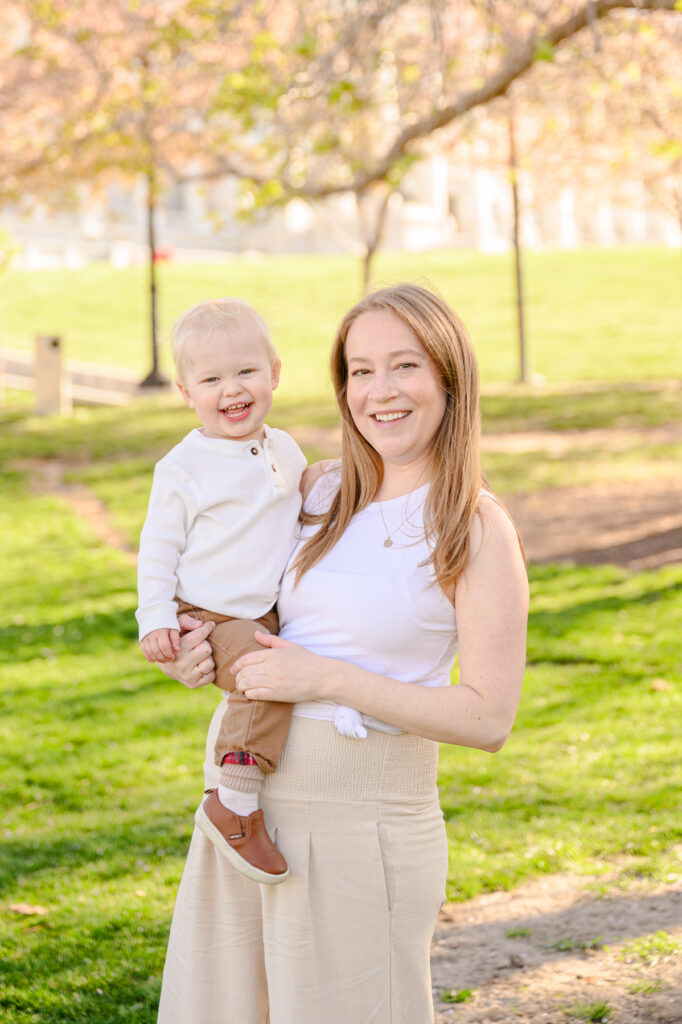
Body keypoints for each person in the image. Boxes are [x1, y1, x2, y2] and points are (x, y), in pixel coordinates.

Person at [155, 283, 529, 1024]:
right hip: (243, 813)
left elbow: (489, 718)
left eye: (404, 367)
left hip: (364, 828)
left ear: (449, 378)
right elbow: (230, 590)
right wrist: (190, 650)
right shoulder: (316, 489)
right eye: (360, 371)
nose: (380, 392)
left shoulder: (474, 528)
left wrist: (326, 678)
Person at [137, 298, 363, 885]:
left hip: (264, 609)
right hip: (211, 613)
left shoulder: (285, 448)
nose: (230, 390)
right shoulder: (184, 467)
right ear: (186, 393)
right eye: (211, 379)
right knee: (266, 677)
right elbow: (158, 548)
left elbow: (297, 506)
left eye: (245, 372)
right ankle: (234, 803)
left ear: (275, 375)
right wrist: (155, 618)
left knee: (286, 661)